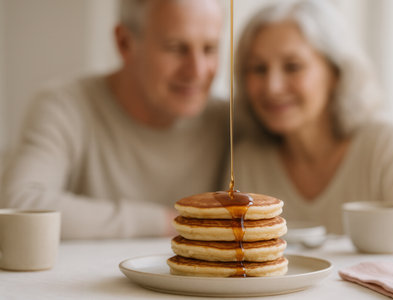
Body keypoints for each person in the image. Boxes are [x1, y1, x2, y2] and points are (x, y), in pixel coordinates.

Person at [1, 0, 229, 239]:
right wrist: (168, 222)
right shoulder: (64, 106)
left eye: (210, 49)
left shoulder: (230, 122)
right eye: (175, 48)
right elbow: (19, 204)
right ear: (125, 43)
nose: (197, 70)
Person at [230, 0, 393, 240]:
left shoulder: (391, 146)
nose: (272, 87)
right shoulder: (246, 160)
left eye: (293, 67)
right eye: (258, 69)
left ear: (336, 72)